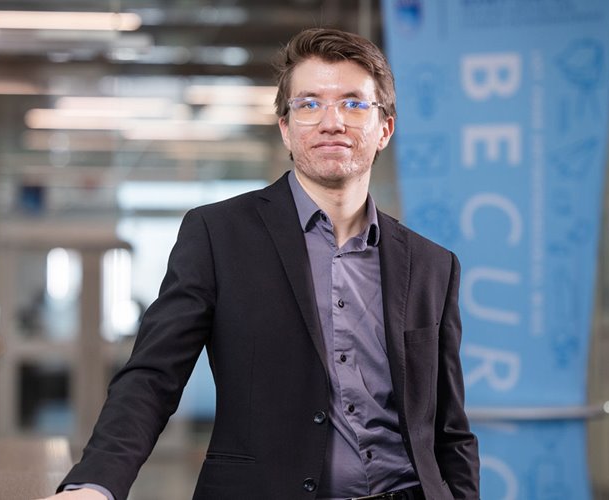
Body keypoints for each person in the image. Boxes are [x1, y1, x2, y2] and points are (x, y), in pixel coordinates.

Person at [42, 27, 480, 500]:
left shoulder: (433, 265)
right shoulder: (219, 235)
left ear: (384, 129)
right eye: (310, 104)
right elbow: (152, 376)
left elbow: (449, 430)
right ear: (286, 129)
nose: (332, 121)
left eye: (354, 104)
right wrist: (95, 485)